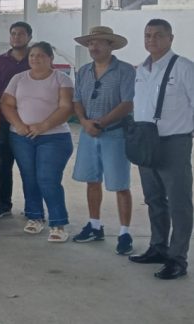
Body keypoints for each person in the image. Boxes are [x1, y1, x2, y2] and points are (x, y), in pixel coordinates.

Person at [128, 19, 194, 280]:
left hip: (174, 141)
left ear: (170, 38)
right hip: (147, 141)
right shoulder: (141, 70)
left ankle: (177, 258)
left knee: (179, 203)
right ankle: (158, 247)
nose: (151, 40)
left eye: (158, 35)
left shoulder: (184, 68)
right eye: (147, 35)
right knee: (154, 199)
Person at [70, 26, 136, 255]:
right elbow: (77, 100)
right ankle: (94, 225)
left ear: (111, 45)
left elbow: (128, 103)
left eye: (98, 43)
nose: (93, 47)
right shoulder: (84, 71)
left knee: (120, 184)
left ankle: (125, 232)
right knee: (92, 180)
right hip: (89, 133)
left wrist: (102, 123)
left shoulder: (125, 71)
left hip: (115, 134)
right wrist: (85, 122)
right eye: (90, 43)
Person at [1, 42, 74, 243]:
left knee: (47, 178)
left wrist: (44, 126)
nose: (36, 59)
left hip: (54, 137)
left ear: (51, 58)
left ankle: (58, 223)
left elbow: (66, 107)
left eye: (41, 55)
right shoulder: (19, 79)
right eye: (32, 55)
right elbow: (7, 104)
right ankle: (35, 217)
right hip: (22, 137)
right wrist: (19, 125)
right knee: (29, 177)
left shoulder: (62, 79)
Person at [0, 21, 33, 218]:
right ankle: (4, 204)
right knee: (5, 164)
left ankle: (33, 206)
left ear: (29, 37)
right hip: (6, 121)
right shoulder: (0, 61)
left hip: (32, 121)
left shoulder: (35, 58)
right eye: (13, 34)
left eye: (21, 34)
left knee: (29, 166)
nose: (16, 37)